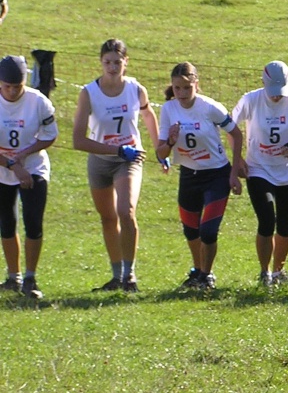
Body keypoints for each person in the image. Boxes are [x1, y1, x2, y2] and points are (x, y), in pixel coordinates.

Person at [73, 39, 165, 293]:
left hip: (129, 160)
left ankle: (129, 275)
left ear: (126, 62)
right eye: (107, 62)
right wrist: (115, 150)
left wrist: (160, 149)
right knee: (108, 218)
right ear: (100, 63)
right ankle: (116, 276)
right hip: (100, 161)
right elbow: (78, 140)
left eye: (117, 62)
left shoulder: (135, 89)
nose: (112, 67)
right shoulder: (88, 92)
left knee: (126, 211)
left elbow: (148, 114)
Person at [156, 62, 243, 291]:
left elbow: (236, 134)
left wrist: (235, 171)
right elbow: (160, 153)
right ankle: (198, 271)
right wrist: (170, 141)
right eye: (177, 88)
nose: (182, 93)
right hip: (188, 176)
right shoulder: (168, 109)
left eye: (187, 87)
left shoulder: (210, 107)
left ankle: (206, 275)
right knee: (190, 230)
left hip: (216, 175)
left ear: (196, 84)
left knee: (208, 231)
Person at [232, 61, 288, 289]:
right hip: (258, 169)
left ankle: (279, 272)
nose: (276, 97)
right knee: (267, 220)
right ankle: (264, 273)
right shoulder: (250, 100)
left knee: (285, 225)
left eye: (280, 92)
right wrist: (238, 159)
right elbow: (230, 127)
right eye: (273, 92)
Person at [0, 55, 57, 300]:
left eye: (18, 86)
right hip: (3, 169)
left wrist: (24, 155)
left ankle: (30, 277)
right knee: (6, 223)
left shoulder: (38, 101)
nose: (13, 92)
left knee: (33, 221)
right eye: (7, 87)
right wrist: (13, 164)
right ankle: (13, 277)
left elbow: (50, 135)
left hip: (33, 166)